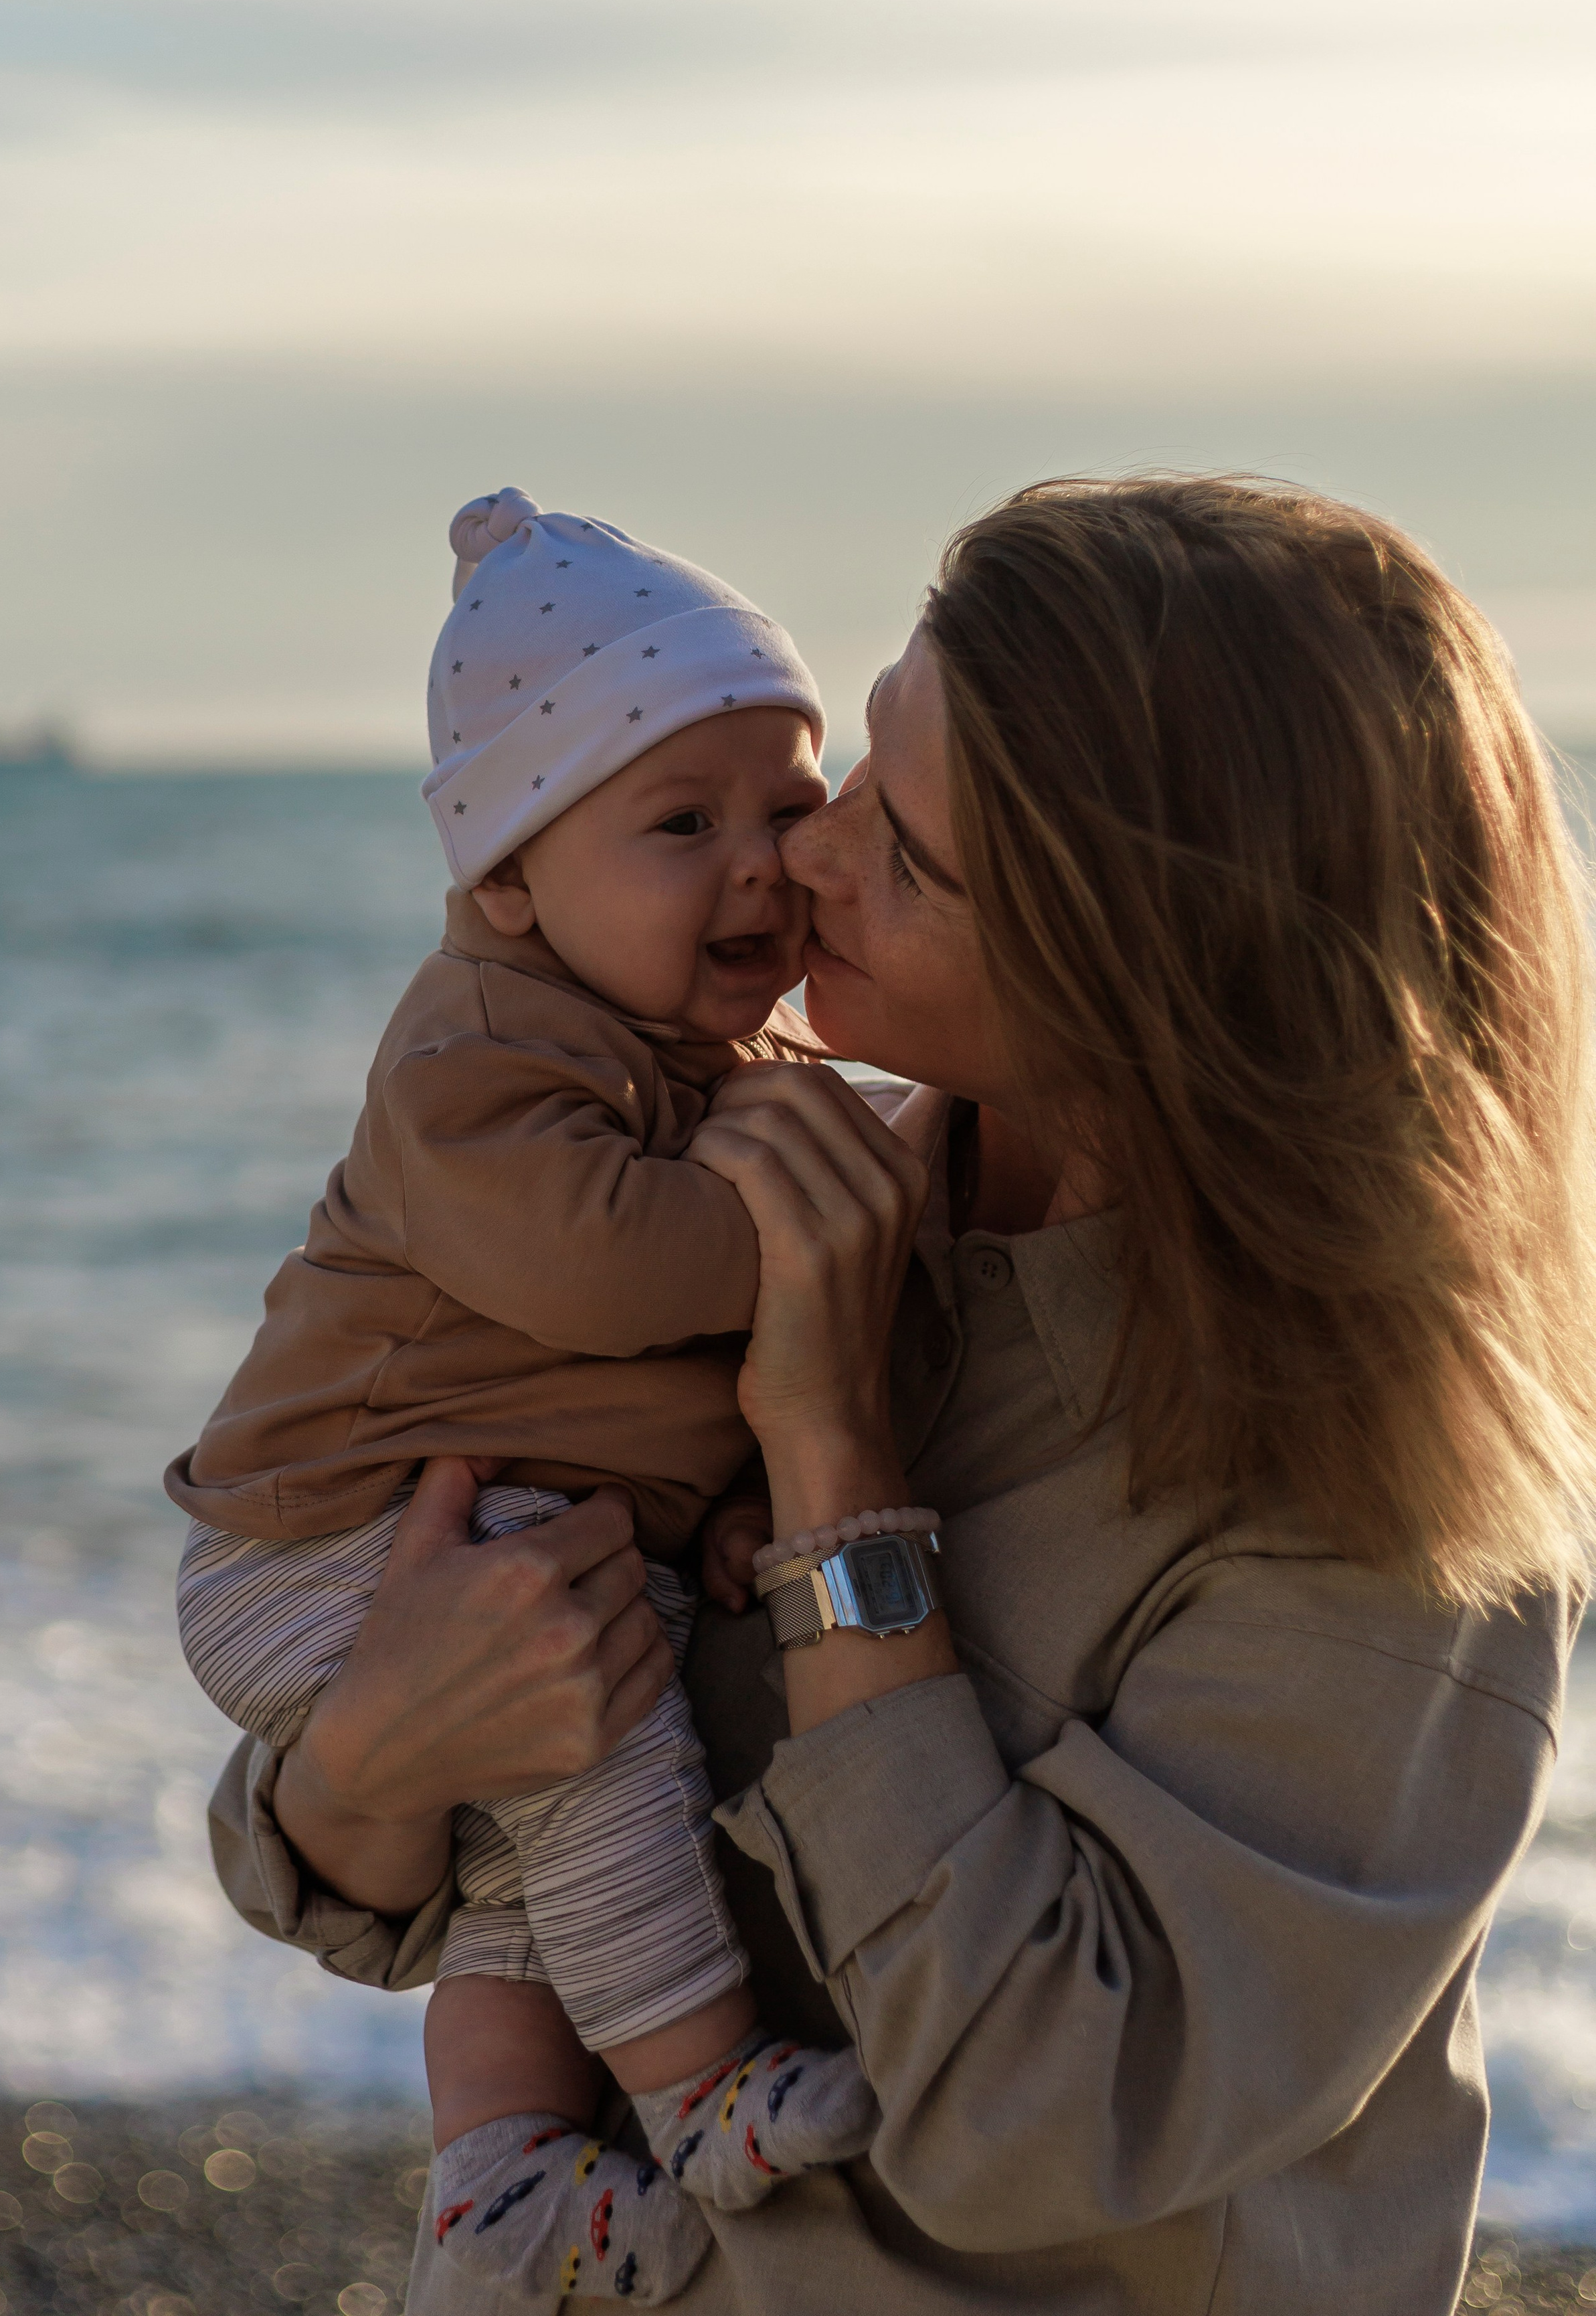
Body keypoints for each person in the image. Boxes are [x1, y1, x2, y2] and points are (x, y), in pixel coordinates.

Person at [207, 475, 1596, 2314]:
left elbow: (1043, 2123)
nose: (812, 858)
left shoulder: (1394, 1517)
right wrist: (378, 1758)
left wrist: (838, 1474)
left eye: (914, 855)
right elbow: (368, 1826)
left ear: (1149, 972)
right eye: (852, 768)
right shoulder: (780, 1188)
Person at [172, 491, 881, 2306]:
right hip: (336, 1534)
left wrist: (739, 1504)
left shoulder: (728, 1059)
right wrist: (809, 1231)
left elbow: (686, 1389)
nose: (758, 864)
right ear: (508, 882)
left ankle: (502, 2180)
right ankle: (704, 2091)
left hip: (477, 1530)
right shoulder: (481, 1042)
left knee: (529, 1863)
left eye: (786, 807)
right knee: (593, 1727)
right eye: (679, 823)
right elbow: (607, 1274)